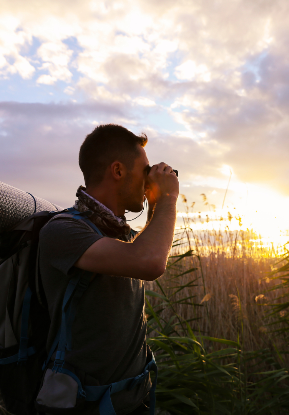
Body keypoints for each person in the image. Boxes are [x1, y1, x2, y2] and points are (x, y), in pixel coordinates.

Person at [38, 124, 179, 414]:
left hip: (130, 400)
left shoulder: (120, 234)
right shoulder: (64, 230)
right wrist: (167, 199)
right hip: (85, 405)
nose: (148, 179)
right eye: (144, 170)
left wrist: (154, 206)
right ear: (118, 171)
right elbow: (150, 261)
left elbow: (142, 252)